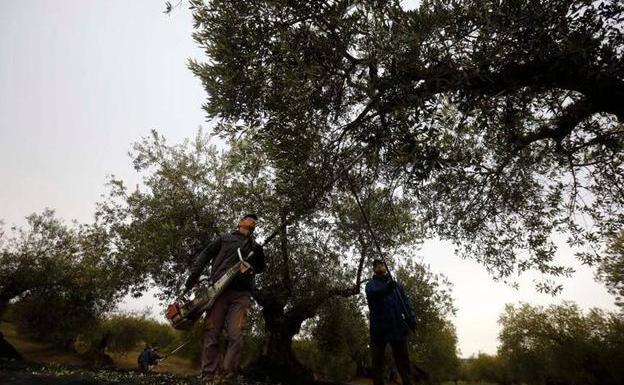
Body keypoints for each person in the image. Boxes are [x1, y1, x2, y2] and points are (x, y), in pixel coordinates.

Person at [183, 214, 265, 385]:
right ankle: (207, 376)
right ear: (240, 222)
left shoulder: (255, 247)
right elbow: (205, 255)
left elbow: (260, 269)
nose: (252, 221)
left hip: (242, 295)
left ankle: (227, 378)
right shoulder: (224, 239)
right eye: (248, 218)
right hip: (218, 293)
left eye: (254, 221)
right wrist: (194, 275)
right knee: (211, 333)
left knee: (237, 336)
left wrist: (259, 254)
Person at [365, 258, 416, 385]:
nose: (379, 266)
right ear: (374, 269)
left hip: (397, 327)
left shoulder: (397, 285)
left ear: (385, 266)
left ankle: (407, 382)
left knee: (403, 361)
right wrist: (388, 288)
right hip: (378, 330)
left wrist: (411, 317)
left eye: (381, 264)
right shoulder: (370, 285)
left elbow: (406, 302)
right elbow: (373, 294)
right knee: (377, 364)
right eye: (376, 265)